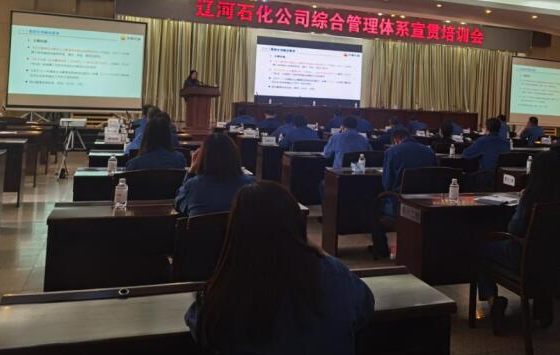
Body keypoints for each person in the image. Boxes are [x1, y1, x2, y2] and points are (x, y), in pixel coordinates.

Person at [185, 181, 374, 355]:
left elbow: (201, 326)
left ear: (235, 231)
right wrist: (318, 251)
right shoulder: (335, 275)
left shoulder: (223, 295)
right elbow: (365, 306)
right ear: (297, 224)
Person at [475, 151, 560, 334]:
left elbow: (515, 229)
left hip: (523, 260)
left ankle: (493, 300)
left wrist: (522, 202)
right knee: (545, 250)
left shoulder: (531, 198)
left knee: (480, 247)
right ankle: (543, 303)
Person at [374, 128, 437, 257]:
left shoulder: (392, 151)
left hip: (400, 204)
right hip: (426, 204)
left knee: (373, 206)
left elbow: (387, 185)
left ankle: (381, 250)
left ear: (396, 140)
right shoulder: (429, 151)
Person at [175, 133, 255, 216]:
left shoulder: (193, 186)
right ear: (235, 155)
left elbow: (178, 203)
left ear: (203, 158)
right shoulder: (251, 184)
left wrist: (191, 171)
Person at [462, 117, 510, 184]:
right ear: (499, 129)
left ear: (487, 128)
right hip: (502, 179)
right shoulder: (506, 143)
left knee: (464, 177)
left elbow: (465, 154)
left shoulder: (483, 141)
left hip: (485, 177)